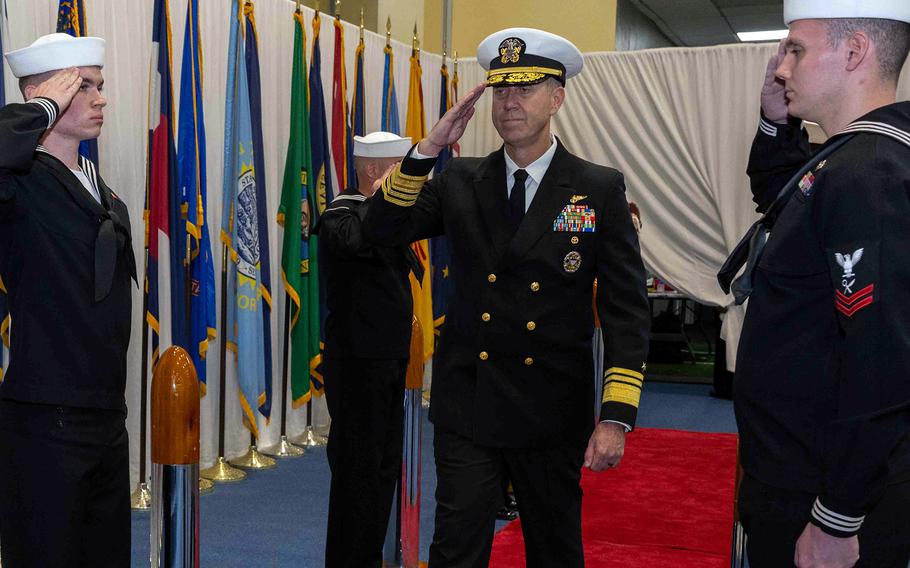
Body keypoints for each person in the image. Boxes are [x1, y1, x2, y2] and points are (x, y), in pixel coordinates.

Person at [364, 28, 650, 567]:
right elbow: (380, 228)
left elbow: (626, 310)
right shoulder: (461, 180)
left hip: (550, 407)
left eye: (525, 89)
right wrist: (428, 148)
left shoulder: (596, 187)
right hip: (470, 401)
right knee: (456, 551)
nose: (509, 102)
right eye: (500, 90)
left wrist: (616, 414)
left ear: (557, 96)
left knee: (554, 549)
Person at [718, 1, 910, 566]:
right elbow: (790, 201)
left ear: (854, 53)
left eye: (796, 49)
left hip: (823, 492)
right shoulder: (859, 156)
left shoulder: (867, 173)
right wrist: (774, 123)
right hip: (804, 473)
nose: (781, 67)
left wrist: (836, 520)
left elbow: (883, 363)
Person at [0, 33, 136, 567]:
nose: (101, 98)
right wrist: (41, 107)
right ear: (46, 94)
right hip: (44, 419)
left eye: (101, 86)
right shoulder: (21, 185)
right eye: (86, 87)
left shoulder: (100, 187)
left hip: (105, 414)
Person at [315, 132, 417, 567]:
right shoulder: (341, 215)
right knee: (358, 477)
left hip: (389, 361)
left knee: (381, 472)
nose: (408, 180)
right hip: (357, 367)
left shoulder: (385, 215)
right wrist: (382, 201)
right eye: (399, 168)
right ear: (374, 171)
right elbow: (355, 241)